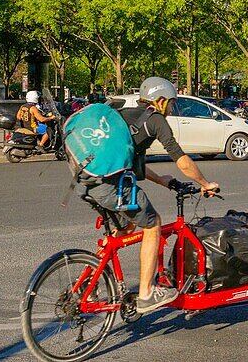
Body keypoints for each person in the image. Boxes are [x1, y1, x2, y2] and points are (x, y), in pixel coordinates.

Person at [76, 76, 218, 313]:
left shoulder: (125, 116)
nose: (172, 108)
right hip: (110, 187)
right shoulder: (156, 120)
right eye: (171, 103)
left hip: (88, 181)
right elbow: (182, 160)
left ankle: (88, 281)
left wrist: (162, 180)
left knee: (124, 230)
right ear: (160, 100)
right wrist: (204, 183)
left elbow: (128, 163)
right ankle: (146, 293)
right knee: (153, 224)